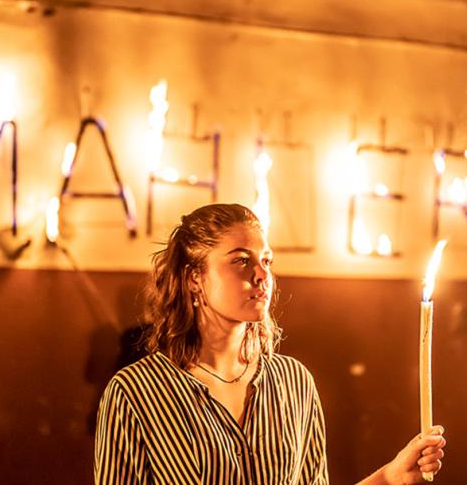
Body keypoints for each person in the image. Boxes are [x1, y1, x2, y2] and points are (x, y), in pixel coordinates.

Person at [95, 203, 446, 484]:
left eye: (266, 261)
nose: (261, 275)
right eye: (241, 260)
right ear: (194, 278)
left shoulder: (294, 383)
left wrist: (389, 478)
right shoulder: (135, 393)